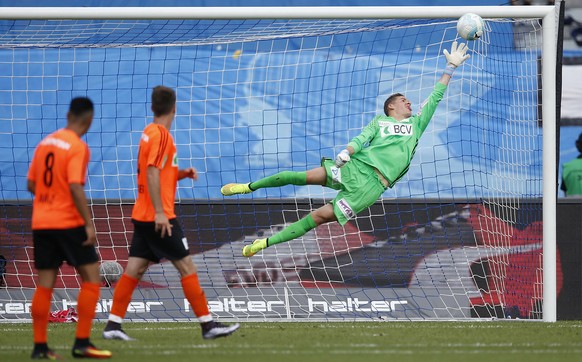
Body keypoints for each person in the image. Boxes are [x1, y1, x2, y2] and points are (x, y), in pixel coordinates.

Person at [221, 41, 470, 258]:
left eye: (409, 100)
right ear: (391, 107)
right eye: (403, 99)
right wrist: (347, 152)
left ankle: (263, 244)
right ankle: (247, 187)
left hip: (371, 187)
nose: (409, 102)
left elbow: (436, 96)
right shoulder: (379, 121)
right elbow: (362, 139)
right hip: (355, 166)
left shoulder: (416, 124)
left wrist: (451, 68)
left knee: (317, 217)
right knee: (300, 176)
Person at [103, 86, 239, 340]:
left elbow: (158, 173)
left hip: (143, 215)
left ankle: (113, 325)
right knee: (187, 267)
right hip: (159, 217)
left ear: (153, 107)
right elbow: (152, 172)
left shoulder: (148, 132)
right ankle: (208, 325)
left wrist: (182, 174)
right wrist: (160, 213)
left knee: (134, 270)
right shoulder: (162, 135)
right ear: (174, 108)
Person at [27, 97, 112, 359]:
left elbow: (31, 184)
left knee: (45, 285)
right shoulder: (77, 147)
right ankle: (82, 342)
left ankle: (40, 347)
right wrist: (88, 223)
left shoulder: (45, 144)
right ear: (88, 120)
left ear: (68, 115)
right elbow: (76, 186)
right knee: (91, 279)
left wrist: (48, 198)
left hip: (41, 221)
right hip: (68, 221)